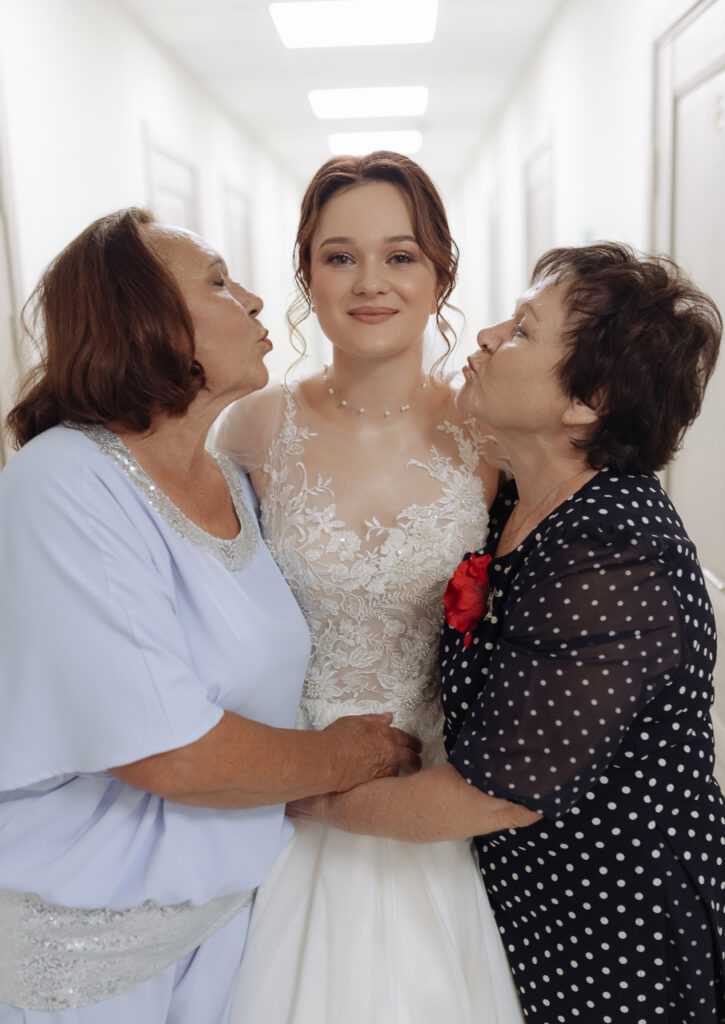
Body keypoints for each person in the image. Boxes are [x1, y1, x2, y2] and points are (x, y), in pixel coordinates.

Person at [0, 207, 420, 1023]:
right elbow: (172, 755)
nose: (256, 300)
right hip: (86, 957)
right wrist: (350, 753)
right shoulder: (63, 482)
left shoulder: (230, 480)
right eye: (220, 282)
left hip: (227, 924)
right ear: (144, 319)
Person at [287, 242, 725, 1022]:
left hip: (616, 926)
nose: (486, 336)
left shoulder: (613, 557)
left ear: (588, 399)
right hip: (526, 902)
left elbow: (491, 798)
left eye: (521, 331)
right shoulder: (520, 502)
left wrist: (308, 803)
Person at [215, 152, 526, 1022]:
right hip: (290, 793)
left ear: (440, 274)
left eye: (399, 255)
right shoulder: (252, 427)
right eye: (339, 257)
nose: (369, 283)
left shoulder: (489, 432)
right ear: (306, 276)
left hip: (434, 794)